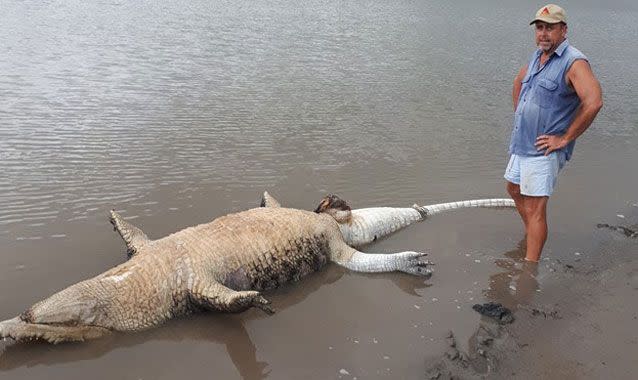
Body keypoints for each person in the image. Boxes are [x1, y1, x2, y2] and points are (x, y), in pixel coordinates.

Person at [504, 4, 603, 262]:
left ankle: (530, 268)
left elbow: (593, 101)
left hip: (544, 148)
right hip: (522, 143)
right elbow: (518, 82)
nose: (543, 33)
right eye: (539, 27)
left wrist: (565, 137)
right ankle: (533, 235)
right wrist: (522, 115)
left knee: (537, 208)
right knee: (514, 188)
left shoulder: (574, 62)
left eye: (550, 28)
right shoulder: (538, 55)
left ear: (564, 29)